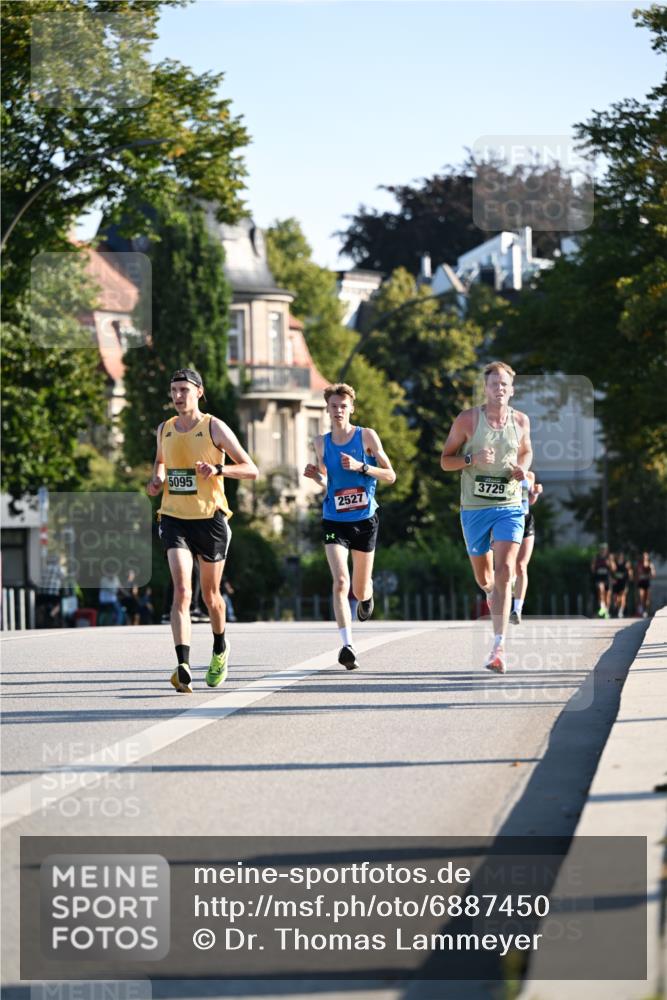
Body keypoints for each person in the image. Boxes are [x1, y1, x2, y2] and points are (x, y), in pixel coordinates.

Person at [147, 367, 258, 693]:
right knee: (182, 590)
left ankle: (220, 648)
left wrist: (219, 468)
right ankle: (182, 664)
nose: (178, 396)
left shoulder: (214, 427)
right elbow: (160, 463)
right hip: (173, 517)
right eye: (174, 390)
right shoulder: (164, 429)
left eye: (184, 389)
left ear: (199, 392)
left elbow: (251, 469)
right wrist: (157, 480)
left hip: (210, 519)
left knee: (211, 596)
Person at [441, 361, 533, 674]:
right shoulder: (468, 420)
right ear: (485, 388)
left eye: (504, 385)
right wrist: (471, 458)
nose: (499, 389)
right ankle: (491, 594)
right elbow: (445, 461)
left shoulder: (520, 420)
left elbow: (526, 451)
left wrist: (522, 469)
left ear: (512, 389)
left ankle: (499, 646)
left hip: (509, 504)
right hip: (475, 509)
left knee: (506, 567)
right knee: (485, 579)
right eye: (494, 384)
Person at [304, 382, 396, 670]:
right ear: (328, 409)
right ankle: (347, 645)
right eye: (334, 406)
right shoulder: (321, 443)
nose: (339, 411)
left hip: (365, 520)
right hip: (334, 519)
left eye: (343, 406)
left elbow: (391, 475)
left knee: (358, 587)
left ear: (351, 408)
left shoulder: (367, 436)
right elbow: (325, 481)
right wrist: (315, 477)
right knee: (341, 582)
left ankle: (367, 594)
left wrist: (362, 467)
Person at [510, 471, 543, 625]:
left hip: (526, 520)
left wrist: (535, 493)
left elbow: (529, 500)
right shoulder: (501, 468)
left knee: (521, 566)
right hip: (508, 521)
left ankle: (517, 610)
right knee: (508, 566)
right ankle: (504, 599)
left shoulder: (529, 475)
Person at [591, 543, 613, 619]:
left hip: (607, 578)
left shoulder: (609, 557)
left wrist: (609, 563)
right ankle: (602, 607)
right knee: (601, 590)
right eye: (601, 549)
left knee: (608, 595)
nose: (603, 550)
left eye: (604, 549)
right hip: (599, 578)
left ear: (606, 550)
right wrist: (594, 566)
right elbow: (592, 569)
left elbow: (614, 569)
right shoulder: (596, 557)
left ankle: (606, 611)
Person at [610, 551, 632, 618]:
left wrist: (630, 575)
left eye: (621, 556)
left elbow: (630, 572)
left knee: (623, 596)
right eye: (619, 556)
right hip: (616, 583)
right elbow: (611, 572)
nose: (620, 557)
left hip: (624, 582)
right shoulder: (614, 563)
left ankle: (621, 611)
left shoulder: (626, 563)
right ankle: (617, 608)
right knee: (616, 599)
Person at [635, 551, 657, 618]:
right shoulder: (640, 564)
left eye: (646, 556)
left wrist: (651, 569)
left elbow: (653, 575)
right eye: (644, 556)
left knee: (647, 598)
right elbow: (637, 574)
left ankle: (646, 610)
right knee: (641, 596)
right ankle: (642, 610)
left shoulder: (650, 564)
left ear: (648, 557)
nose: (645, 557)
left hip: (647, 583)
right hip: (641, 583)